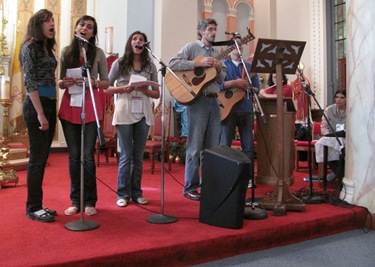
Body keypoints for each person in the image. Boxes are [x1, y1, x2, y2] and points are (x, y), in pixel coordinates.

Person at [169, 18, 226, 201]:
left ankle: (208, 185)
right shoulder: (192, 48)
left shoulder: (218, 53)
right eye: (209, 29)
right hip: (197, 102)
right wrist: (196, 64)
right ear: (201, 31)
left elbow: (220, 80)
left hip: (214, 102)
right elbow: (173, 63)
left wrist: (218, 69)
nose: (213, 32)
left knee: (211, 148)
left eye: (215, 29)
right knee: (194, 147)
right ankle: (190, 187)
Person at [58, 15, 109, 216]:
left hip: (90, 106)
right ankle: (75, 200)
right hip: (70, 105)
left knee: (87, 157)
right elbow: (61, 82)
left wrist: (92, 83)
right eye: (82, 25)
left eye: (89, 27)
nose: (84, 28)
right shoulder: (66, 52)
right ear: (76, 28)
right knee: (73, 157)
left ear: (93, 33)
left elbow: (105, 82)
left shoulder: (98, 53)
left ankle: (89, 201)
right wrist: (65, 83)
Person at [105, 31, 160, 207]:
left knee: (138, 156)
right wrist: (123, 89)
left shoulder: (150, 65)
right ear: (130, 43)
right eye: (135, 39)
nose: (138, 42)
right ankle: (123, 194)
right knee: (126, 155)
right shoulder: (119, 63)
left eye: (141, 39)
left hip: (143, 111)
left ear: (144, 44)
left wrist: (145, 90)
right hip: (125, 110)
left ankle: (137, 192)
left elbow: (157, 93)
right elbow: (106, 88)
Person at [20, 9, 58, 222]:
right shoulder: (29, 48)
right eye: (47, 21)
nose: (52, 23)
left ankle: (37, 203)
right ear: (37, 24)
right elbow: (30, 81)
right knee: (36, 159)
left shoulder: (46, 48)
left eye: (53, 20)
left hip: (49, 103)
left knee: (42, 158)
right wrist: (41, 114)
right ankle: (33, 207)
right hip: (37, 105)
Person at [219, 35, 260, 188]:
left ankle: (248, 178)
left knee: (248, 146)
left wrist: (249, 87)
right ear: (229, 50)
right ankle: (224, 176)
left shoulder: (249, 67)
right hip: (227, 110)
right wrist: (234, 83)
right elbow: (217, 86)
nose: (239, 47)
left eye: (241, 45)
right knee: (225, 145)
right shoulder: (223, 66)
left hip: (246, 110)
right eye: (235, 45)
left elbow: (257, 89)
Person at [320, 89, 346, 182]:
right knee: (326, 153)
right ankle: (341, 175)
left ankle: (337, 174)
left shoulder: (351, 110)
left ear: (347, 99)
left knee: (345, 154)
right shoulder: (328, 110)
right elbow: (324, 126)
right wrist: (328, 137)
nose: (339, 100)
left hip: (346, 139)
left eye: (342, 98)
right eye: (337, 97)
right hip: (332, 139)